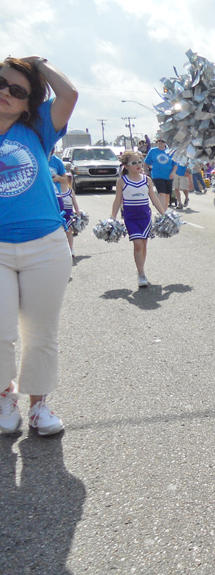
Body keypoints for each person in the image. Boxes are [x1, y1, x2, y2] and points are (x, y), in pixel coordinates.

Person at [0, 56, 78, 436]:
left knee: (40, 333)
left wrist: (38, 64)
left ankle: (38, 407)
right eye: (1, 83)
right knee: (0, 332)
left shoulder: (38, 129)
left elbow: (69, 94)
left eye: (18, 90)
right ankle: (4, 396)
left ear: (28, 103)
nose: (6, 93)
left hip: (45, 246)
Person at [111, 152, 166, 288]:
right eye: (134, 163)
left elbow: (154, 198)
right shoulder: (122, 181)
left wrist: (164, 214)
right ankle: (141, 274)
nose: (138, 165)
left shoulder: (147, 180)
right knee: (138, 244)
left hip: (145, 217)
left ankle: (140, 268)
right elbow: (117, 200)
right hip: (131, 217)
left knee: (144, 244)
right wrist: (112, 217)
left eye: (139, 162)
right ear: (126, 166)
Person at [144, 138, 175, 210]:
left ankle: (165, 210)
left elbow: (175, 163)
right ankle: (162, 211)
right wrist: (144, 171)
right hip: (157, 175)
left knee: (167, 194)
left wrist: (173, 172)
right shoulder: (153, 151)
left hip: (168, 175)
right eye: (158, 141)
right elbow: (146, 162)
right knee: (161, 193)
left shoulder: (170, 151)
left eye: (162, 141)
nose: (160, 142)